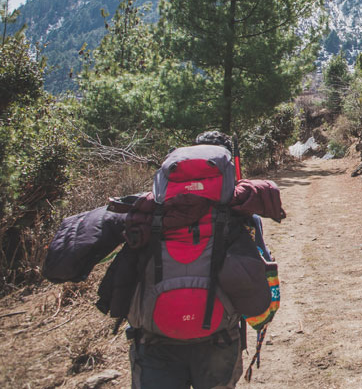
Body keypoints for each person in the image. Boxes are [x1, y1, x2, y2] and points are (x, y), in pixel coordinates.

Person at [43, 130, 284, 389]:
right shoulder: (241, 212)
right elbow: (261, 270)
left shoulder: (149, 210)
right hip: (219, 338)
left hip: (153, 341)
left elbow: (67, 256)